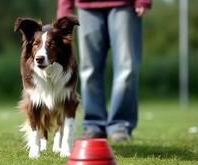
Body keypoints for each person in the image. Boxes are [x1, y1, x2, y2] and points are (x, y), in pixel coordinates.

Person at [57, 0, 152, 142]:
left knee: (127, 67)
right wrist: (65, 8)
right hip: (87, 7)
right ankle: (94, 125)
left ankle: (120, 125)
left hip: (125, 5)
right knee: (89, 69)